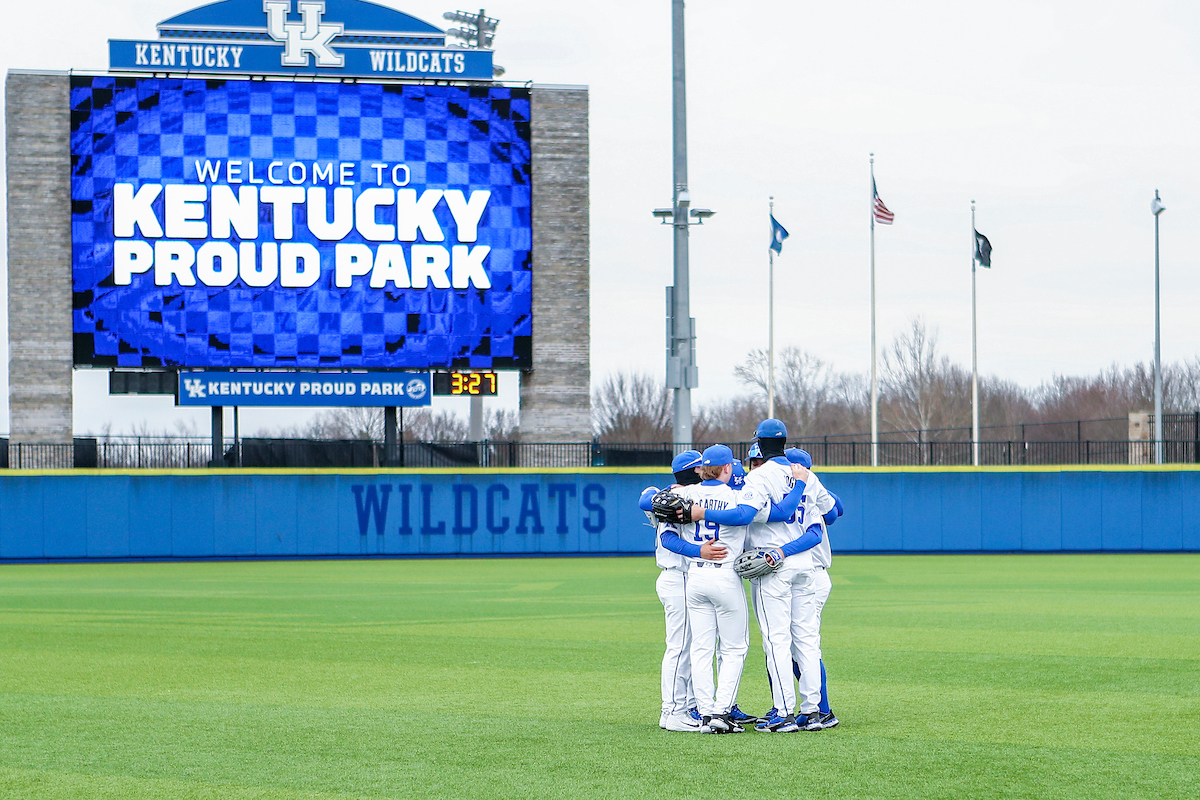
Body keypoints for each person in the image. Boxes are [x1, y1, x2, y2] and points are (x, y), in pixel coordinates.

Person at [689, 420, 826, 732]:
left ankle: (783, 712)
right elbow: (820, 526)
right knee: (807, 639)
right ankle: (813, 711)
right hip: (805, 562)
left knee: (777, 639)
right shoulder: (804, 473)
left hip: (772, 564)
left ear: (759, 445)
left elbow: (746, 515)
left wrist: (778, 552)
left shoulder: (758, 477)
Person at [665, 445, 752, 733]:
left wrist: (696, 550)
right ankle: (721, 712)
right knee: (734, 648)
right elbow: (749, 518)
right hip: (725, 575)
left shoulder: (685, 495)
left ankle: (703, 714)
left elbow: (666, 537)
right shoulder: (736, 498)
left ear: (702, 469)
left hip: (695, 576)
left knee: (701, 648)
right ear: (728, 469)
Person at [639, 450, 704, 731]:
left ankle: (684, 707)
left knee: (689, 646)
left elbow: (647, 497)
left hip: (684, 578)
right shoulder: (674, 499)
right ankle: (673, 710)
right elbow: (667, 537)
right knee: (679, 646)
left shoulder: (678, 495)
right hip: (677, 577)